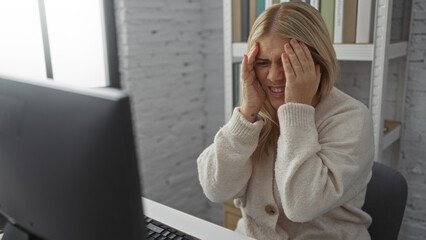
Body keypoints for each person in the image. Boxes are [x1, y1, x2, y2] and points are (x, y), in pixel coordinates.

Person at [197, 2, 375, 240]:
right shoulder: (256, 113)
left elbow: (301, 206)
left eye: (288, 62)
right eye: (262, 63)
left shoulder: (352, 118)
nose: (273, 76)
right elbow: (215, 189)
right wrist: (246, 113)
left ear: (317, 62)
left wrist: (297, 110)